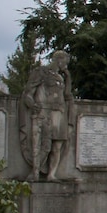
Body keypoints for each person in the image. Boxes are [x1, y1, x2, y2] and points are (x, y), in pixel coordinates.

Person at [19, 51, 74, 181]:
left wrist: (68, 76)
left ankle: (51, 174)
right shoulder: (41, 72)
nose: (65, 65)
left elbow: (67, 95)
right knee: (43, 145)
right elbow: (28, 93)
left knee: (57, 146)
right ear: (59, 60)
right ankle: (35, 172)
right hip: (44, 113)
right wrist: (32, 105)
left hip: (59, 113)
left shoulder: (60, 77)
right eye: (65, 62)